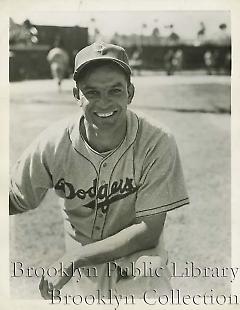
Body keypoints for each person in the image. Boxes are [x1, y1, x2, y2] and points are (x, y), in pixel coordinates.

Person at [9, 42, 189, 300]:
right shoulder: (54, 143)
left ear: (130, 92)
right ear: (76, 95)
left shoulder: (157, 141)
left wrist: (75, 258)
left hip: (140, 273)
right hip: (83, 279)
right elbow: (15, 197)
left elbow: (148, 231)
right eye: (91, 92)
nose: (103, 102)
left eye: (114, 90)